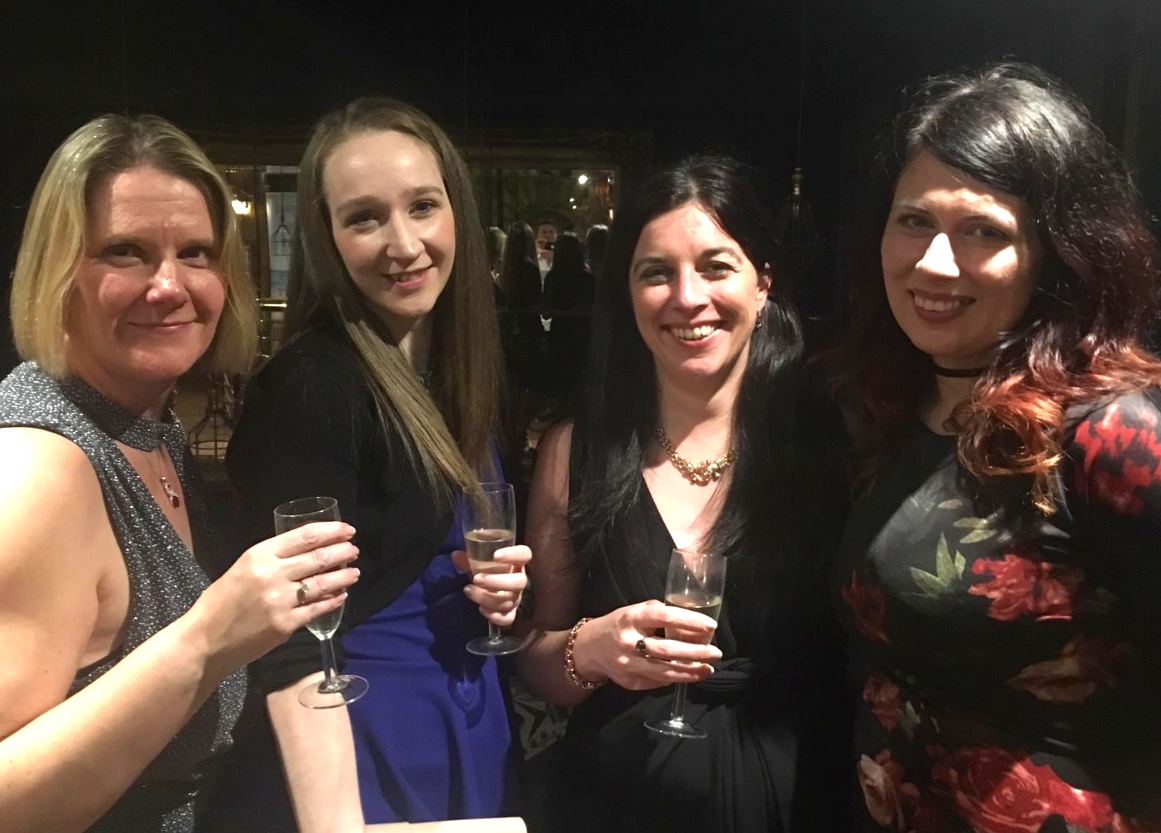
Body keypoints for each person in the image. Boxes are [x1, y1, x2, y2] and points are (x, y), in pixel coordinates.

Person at [0, 114, 359, 833]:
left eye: (195, 252)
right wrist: (208, 637)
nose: (169, 285)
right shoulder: (42, 466)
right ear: (56, 270)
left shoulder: (147, 426)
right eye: (125, 251)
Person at [829, 62, 1161, 832]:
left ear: (1055, 252)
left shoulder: (1112, 433)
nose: (934, 262)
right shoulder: (895, 405)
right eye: (913, 220)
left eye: (983, 230)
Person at [518, 156, 848, 833]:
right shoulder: (574, 450)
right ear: (628, 295)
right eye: (655, 272)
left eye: (715, 266)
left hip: (801, 800)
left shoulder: (828, 445)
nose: (685, 296)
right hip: (611, 808)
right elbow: (535, 662)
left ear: (762, 285)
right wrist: (593, 647)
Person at [226, 97, 528, 830]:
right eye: (364, 217)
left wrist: (503, 591)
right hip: (369, 744)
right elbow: (288, 642)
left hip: (471, 716)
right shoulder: (311, 387)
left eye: (423, 205)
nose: (404, 242)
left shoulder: (455, 372)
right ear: (326, 238)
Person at [541, 231, 593, 400]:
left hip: (560, 337)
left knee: (560, 390)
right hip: (583, 337)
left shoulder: (553, 278)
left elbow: (546, 313)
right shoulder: (589, 279)